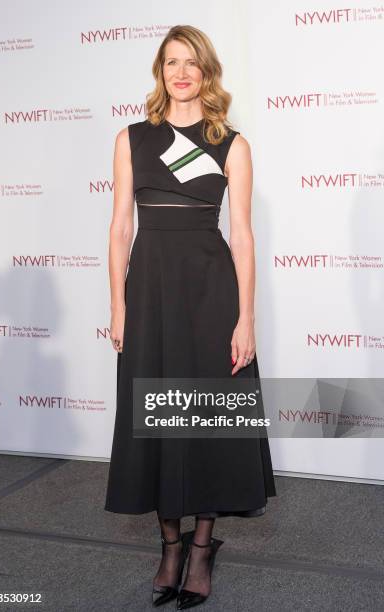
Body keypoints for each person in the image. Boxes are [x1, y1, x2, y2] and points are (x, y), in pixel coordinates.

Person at [104, 24, 277, 610]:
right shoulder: (132, 138)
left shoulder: (232, 143)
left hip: (211, 295)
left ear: (206, 71)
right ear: (160, 72)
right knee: (158, 415)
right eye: (171, 62)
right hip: (149, 294)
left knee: (206, 417)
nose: (181, 73)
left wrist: (246, 318)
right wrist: (117, 305)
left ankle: (202, 546)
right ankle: (169, 544)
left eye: (191, 63)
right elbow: (120, 227)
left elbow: (244, 238)